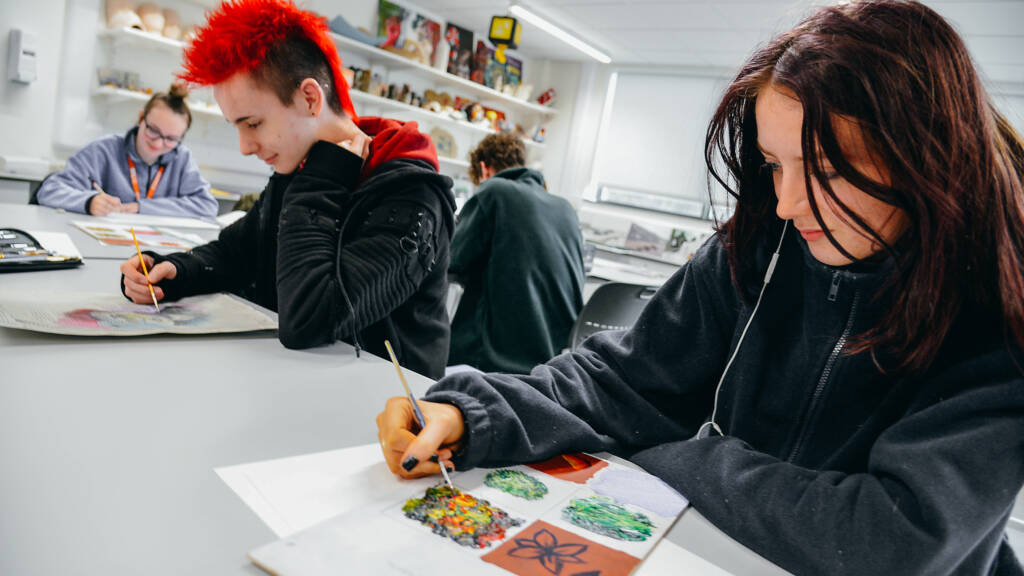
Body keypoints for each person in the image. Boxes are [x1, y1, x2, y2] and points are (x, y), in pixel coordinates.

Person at [376, 1, 1024, 573]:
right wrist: (478, 413)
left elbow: (892, 539)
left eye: (826, 168)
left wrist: (688, 461)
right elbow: (625, 380)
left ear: (923, 157)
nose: (789, 201)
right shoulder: (761, 244)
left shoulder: (1003, 307)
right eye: (774, 164)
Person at [119, 0, 455, 379]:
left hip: (385, 414)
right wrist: (176, 271)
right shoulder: (303, 166)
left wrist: (322, 178)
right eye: (238, 127)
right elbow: (239, 252)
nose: (245, 146)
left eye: (253, 123)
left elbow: (311, 320)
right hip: (297, 387)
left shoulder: (410, 194)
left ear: (310, 98)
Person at [448, 133, 584, 373]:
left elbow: (451, 260)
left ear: (484, 169)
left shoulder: (494, 191)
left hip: (492, 361)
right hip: (549, 362)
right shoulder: (565, 208)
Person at [37, 83, 217, 219]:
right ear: (141, 119)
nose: (158, 144)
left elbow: (207, 206)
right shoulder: (103, 150)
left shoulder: (182, 158)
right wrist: (89, 201)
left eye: (170, 139)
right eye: (153, 131)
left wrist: (141, 207)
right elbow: (49, 190)